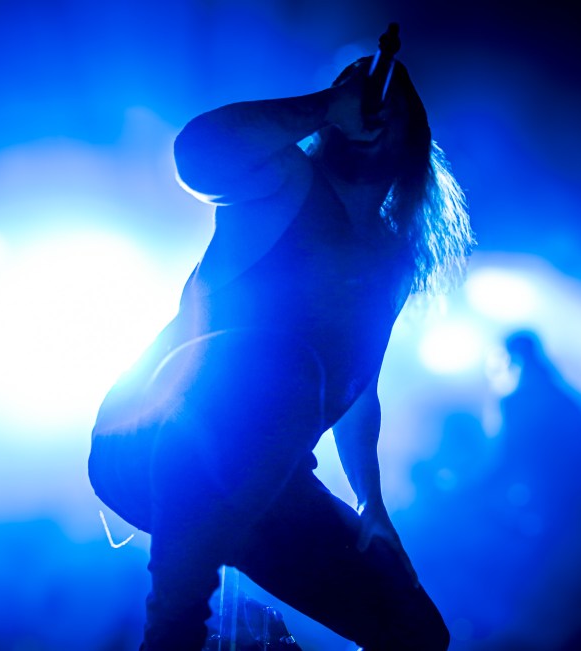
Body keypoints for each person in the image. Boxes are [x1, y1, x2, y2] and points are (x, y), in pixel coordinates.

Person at [87, 42, 474, 651]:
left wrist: (371, 502)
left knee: (416, 632)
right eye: (358, 91)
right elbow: (198, 154)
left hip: (273, 477)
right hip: (153, 437)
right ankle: (172, 633)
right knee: (278, 366)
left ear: (413, 135)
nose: (370, 106)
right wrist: (327, 105)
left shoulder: (391, 259)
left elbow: (357, 392)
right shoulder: (284, 184)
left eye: (386, 101)